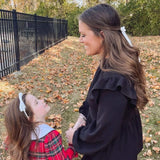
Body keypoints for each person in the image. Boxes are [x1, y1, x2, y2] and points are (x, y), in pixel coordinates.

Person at [66, 3, 148, 160]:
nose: (80, 40)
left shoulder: (114, 79)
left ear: (102, 35)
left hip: (113, 152)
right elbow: (93, 98)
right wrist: (82, 117)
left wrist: (75, 138)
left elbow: (103, 133)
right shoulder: (108, 64)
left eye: (83, 35)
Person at [4, 93, 77, 160]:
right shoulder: (50, 137)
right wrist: (72, 144)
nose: (42, 100)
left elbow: (7, 146)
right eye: (36, 102)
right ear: (30, 117)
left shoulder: (18, 134)